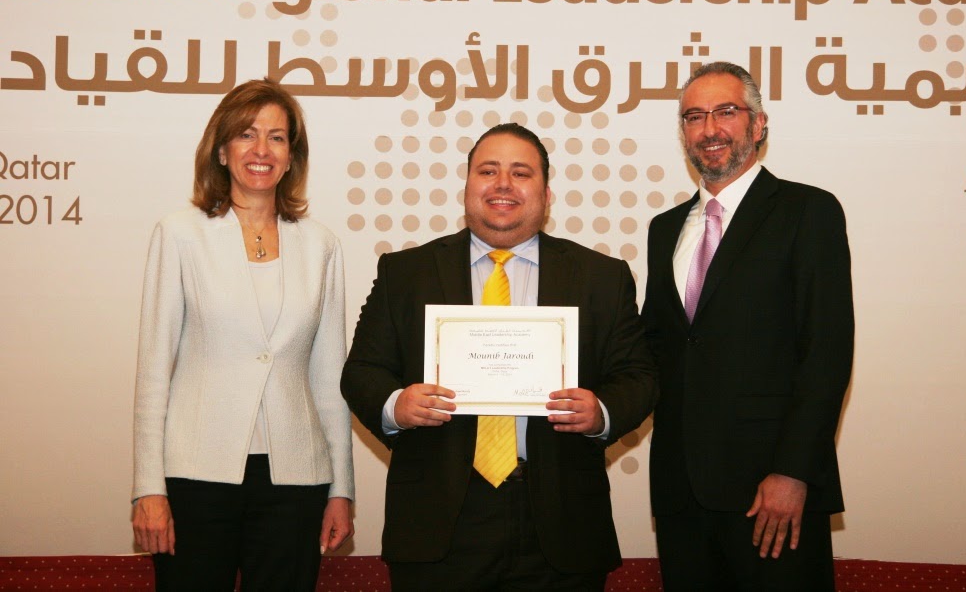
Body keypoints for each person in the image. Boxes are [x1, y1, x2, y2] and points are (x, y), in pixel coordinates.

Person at [341, 123, 658, 591]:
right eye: (488, 171)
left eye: (521, 173)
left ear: (546, 195)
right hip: (438, 521)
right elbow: (362, 372)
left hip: (562, 521)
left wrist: (601, 412)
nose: (503, 184)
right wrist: (396, 405)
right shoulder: (404, 272)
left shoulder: (601, 277)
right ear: (467, 187)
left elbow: (639, 376)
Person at [131, 79, 354, 591]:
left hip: (296, 481)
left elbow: (330, 378)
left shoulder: (321, 245)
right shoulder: (180, 234)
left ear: (292, 156)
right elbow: (153, 372)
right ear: (222, 150)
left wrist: (341, 489)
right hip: (195, 475)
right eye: (247, 134)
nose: (261, 150)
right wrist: (148, 487)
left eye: (277, 138)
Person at [643, 62, 854, 591]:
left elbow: (826, 353)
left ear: (758, 124)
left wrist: (794, 471)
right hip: (681, 495)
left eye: (726, 112)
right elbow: (656, 348)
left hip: (770, 494)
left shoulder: (808, 211)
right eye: (694, 116)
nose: (709, 129)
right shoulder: (664, 229)